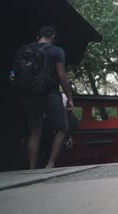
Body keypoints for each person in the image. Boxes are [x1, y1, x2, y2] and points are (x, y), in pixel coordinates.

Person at [19, 26, 74, 169]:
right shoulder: (56, 51)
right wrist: (69, 97)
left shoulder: (23, 50)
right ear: (53, 37)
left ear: (38, 37)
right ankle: (50, 164)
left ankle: (32, 168)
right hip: (50, 93)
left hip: (27, 94)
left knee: (35, 130)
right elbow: (61, 76)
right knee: (63, 128)